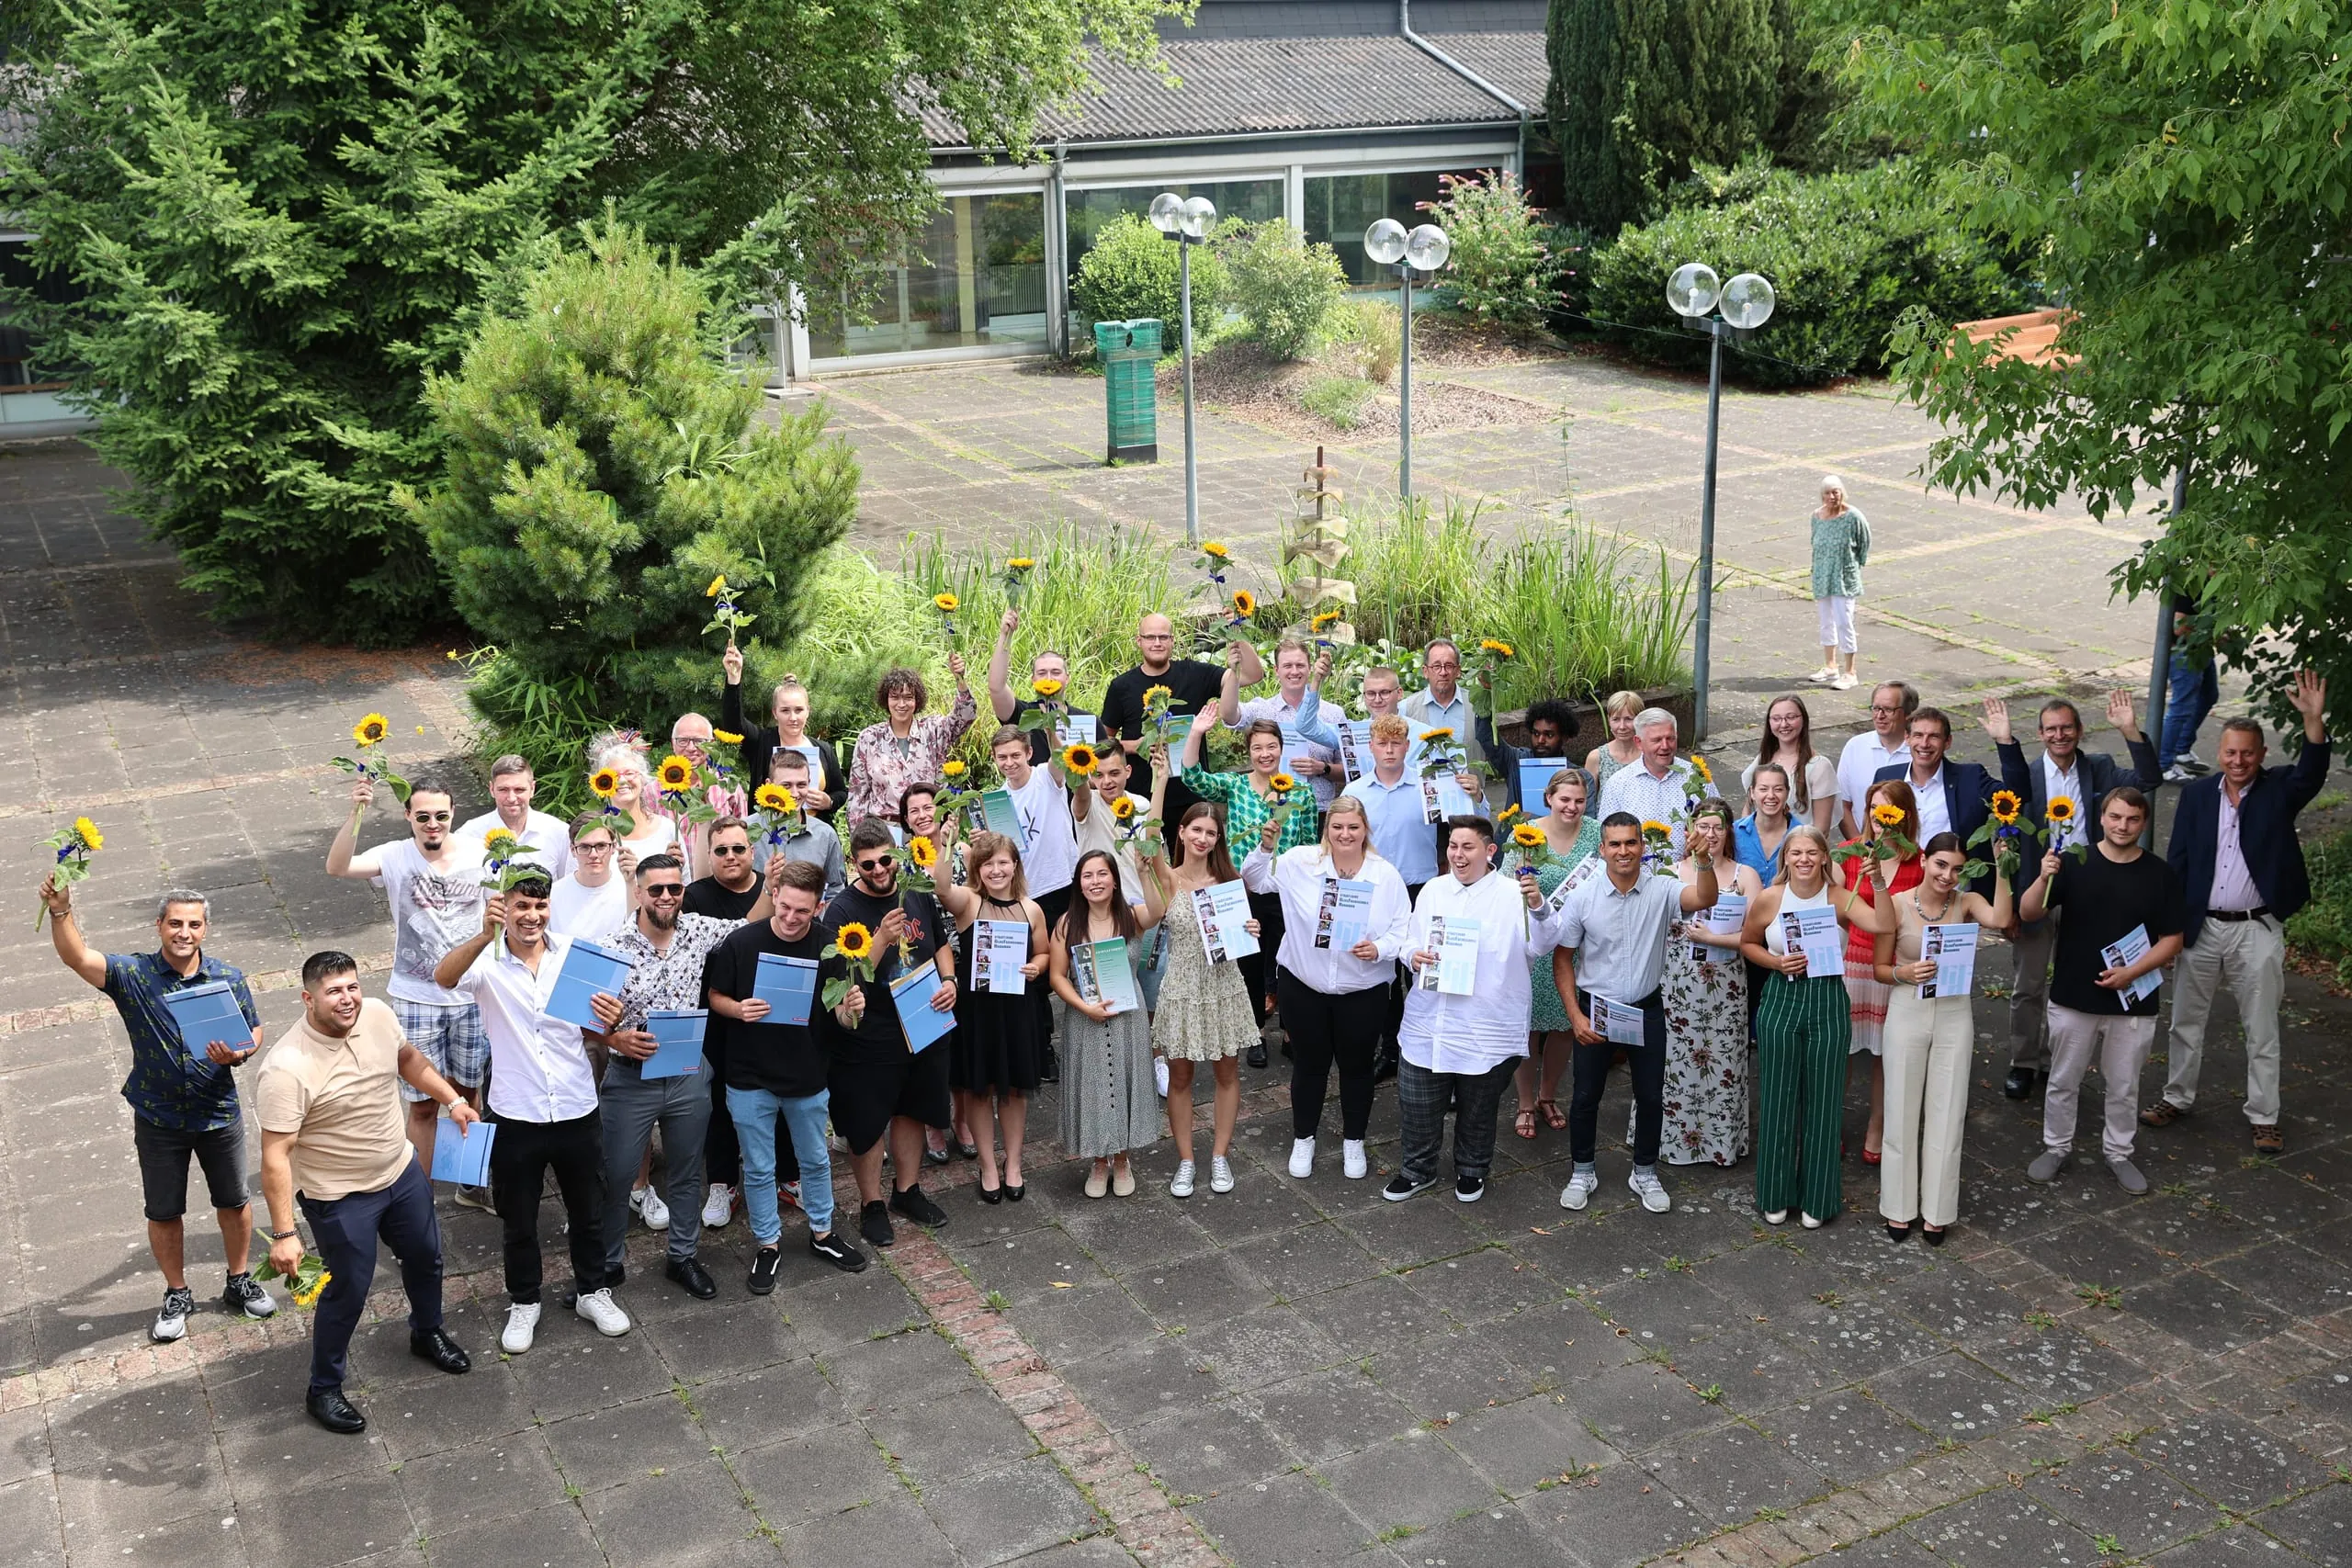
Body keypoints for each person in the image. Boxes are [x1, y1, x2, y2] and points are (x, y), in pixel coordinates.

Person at [37, 877, 273, 1342]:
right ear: (159, 926)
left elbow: (255, 1028)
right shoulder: (134, 975)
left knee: (235, 1201)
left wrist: (241, 1054)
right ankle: (177, 1291)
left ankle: (238, 1279)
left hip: (217, 1112)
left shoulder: (228, 977)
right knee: (164, 1211)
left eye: (194, 925)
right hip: (159, 1117)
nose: (184, 932)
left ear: (206, 929)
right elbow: (77, 957)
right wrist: (62, 911)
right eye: (175, 924)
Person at [255, 952, 474, 1433]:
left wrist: (452, 1100)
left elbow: (409, 1060)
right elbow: (275, 1155)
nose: (347, 999)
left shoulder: (376, 1014)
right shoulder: (286, 1068)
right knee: (348, 1291)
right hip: (339, 1197)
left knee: (426, 1258)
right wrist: (284, 1234)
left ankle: (427, 1332)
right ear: (307, 999)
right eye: (333, 991)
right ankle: (324, 1388)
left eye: (351, 986)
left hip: (400, 1172)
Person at [432, 873, 632, 1351]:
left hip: (575, 1105)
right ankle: (524, 1301)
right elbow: (444, 977)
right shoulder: (488, 960)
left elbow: (596, 1023)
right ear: (506, 907)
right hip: (515, 1111)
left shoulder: (574, 955)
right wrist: (484, 934)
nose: (532, 916)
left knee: (588, 1211)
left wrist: (613, 1017)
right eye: (522, 906)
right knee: (517, 1217)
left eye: (540, 906)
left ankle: (592, 1291)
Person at [2148, 671, 2332, 1153]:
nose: (2238, 761)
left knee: (2262, 1027)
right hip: (2203, 927)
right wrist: (2172, 928)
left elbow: (2312, 773)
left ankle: (2264, 1116)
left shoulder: (2278, 791)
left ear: (2261, 755)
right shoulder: (2195, 795)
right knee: (2186, 1020)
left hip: (2257, 928)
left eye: (2247, 753)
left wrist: (2313, 719)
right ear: (2220, 751)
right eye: (2230, 752)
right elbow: (2179, 863)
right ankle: (2177, 1097)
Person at [594, 852, 769, 1298]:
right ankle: (607, 1267)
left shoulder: (697, 929)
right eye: (657, 889)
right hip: (632, 1077)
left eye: (675, 888)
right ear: (638, 892)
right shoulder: (611, 945)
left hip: (688, 1073)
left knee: (689, 1172)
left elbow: (750, 924)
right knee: (616, 1176)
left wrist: (774, 882)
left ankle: (683, 1257)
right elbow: (579, 1017)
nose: (667, 897)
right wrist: (614, 1040)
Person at [1984, 692, 2161, 1100]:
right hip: (2038, 889)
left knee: (2075, 982)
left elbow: (2148, 781)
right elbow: (2008, 828)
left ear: (2079, 731)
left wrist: (2129, 729)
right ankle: (2025, 1061)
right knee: (2028, 983)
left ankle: (2062, 1064)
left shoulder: (2099, 769)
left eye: (2067, 727)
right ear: (2040, 734)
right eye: (2051, 729)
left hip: (2088, 891)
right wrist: (2004, 741)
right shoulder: (2024, 776)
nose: (2059, 735)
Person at [704, 859, 870, 1287]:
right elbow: (715, 996)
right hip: (748, 1076)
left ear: (818, 907)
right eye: (785, 907)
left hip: (806, 1074)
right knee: (758, 1167)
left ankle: (823, 1232)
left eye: (803, 911)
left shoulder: (831, 946)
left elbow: (842, 1019)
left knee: (814, 1160)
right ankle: (767, 1244)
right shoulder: (742, 942)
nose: (792, 918)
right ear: (773, 895)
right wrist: (738, 1009)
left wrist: (854, 1013)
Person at [2019, 787, 2187, 1192]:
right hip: (2074, 994)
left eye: (2131, 819)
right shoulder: (2074, 863)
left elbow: (2172, 939)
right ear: (2102, 818)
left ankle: (2119, 1152)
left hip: (2134, 998)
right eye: (2115, 817)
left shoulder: (2160, 874)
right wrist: (2044, 876)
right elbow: (2028, 913)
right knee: (2063, 1079)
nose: (2122, 826)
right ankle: (2056, 1146)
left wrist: (2132, 972)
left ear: (2143, 822)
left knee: (2125, 1084)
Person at [325, 774, 486, 1193]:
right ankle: (424, 1197)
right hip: (416, 998)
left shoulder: (481, 853)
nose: (433, 824)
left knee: (470, 1095)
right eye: (423, 817)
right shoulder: (395, 856)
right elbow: (337, 866)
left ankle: (469, 1185)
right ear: (408, 816)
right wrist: (356, 812)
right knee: (423, 1104)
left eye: (441, 816)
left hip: (472, 995)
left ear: (453, 815)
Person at [1386, 817, 1560, 1204]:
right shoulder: (1433, 889)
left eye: (1467, 847)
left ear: (1490, 851)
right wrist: (1411, 954)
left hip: (1487, 1024)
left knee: (1478, 1109)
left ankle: (1472, 1170)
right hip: (1430, 1020)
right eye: (1452, 847)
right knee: (1418, 1106)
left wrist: (1538, 904)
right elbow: (1410, 939)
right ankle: (1417, 1170)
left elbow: (1544, 944)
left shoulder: (1513, 894)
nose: (1458, 855)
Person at [1553, 812, 1719, 1213]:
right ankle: (1582, 1169)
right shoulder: (1583, 897)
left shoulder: (1662, 889)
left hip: (1646, 1008)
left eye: (1631, 843)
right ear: (1602, 849)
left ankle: (1644, 1172)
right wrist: (1575, 1016)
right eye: (1615, 844)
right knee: (1586, 1096)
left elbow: (1706, 898)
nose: (1623, 851)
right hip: (1597, 1009)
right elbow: (1563, 960)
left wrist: (1704, 862)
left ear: (1643, 847)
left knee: (1650, 1095)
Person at [1242, 796, 1411, 1180]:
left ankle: (1355, 1140)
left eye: (1353, 827)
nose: (1345, 835)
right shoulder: (1300, 863)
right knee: (1309, 1064)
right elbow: (1255, 878)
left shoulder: (1385, 876)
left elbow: (1403, 929)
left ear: (1365, 828)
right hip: (1305, 984)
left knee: (1357, 1066)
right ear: (1326, 829)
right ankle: (1304, 1138)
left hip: (1362, 987)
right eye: (1337, 827)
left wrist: (1380, 948)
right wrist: (1266, 847)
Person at [1739, 826, 1894, 1228]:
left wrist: (1876, 881)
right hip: (1780, 997)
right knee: (1777, 1096)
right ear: (1785, 859)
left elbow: (1881, 924)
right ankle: (1774, 1192)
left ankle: (1819, 1198)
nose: (1804, 859)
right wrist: (1775, 962)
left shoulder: (1840, 898)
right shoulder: (1770, 899)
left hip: (1827, 999)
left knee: (1824, 1100)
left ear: (1825, 858)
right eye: (1796, 853)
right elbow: (1748, 943)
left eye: (1812, 852)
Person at [824, 819, 959, 1247]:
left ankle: (907, 1190)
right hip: (872, 1029)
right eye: (869, 865)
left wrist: (951, 980)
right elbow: (852, 972)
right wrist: (881, 935)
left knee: (913, 1110)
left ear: (896, 853)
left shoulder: (914, 890)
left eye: (886, 860)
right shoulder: (843, 910)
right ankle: (871, 1203)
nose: (880, 870)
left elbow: (938, 941)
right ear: (854, 863)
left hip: (922, 1018)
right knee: (867, 1121)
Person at [1872, 834, 2013, 1245]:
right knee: (1900, 1109)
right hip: (1907, 1006)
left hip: (1953, 1010)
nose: (1947, 876)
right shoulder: (1898, 903)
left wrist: (2003, 868)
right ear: (1924, 861)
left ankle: (1937, 1211)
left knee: (1948, 1112)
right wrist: (1904, 973)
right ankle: (1898, 1208)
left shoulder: (1966, 902)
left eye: (1955, 868)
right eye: (1940, 865)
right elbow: (1880, 967)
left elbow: (2002, 920)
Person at [1182, 705, 1318, 1062]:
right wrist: (1196, 732)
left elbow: (1308, 845)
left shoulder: (1300, 794)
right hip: (1241, 889)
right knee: (1250, 964)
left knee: (1288, 962)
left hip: (1286, 891)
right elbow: (1193, 777)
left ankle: (1291, 1029)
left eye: (1271, 746)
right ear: (1249, 751)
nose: (1265, 754)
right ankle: (1255, 1031)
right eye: (1257, 747)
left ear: (1281, 748)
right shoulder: (1236, 785)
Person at [1645, 800, 1761, 1168]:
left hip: (1726, 984)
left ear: (1728, 832)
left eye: (1717, 827)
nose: (1710, 834)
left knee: (1722, 1059)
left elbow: (1756, 934)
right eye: (1703, 826)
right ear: (1689, 831)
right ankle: (1667, 1140)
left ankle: (1719, 1144)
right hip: (1676, 981)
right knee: (1671, 1060)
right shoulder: (1667, 871)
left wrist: (1716, 939)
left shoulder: (1746, 876)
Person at [1154, 803, 1261, 1196]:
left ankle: (1219, 1155)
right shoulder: (1167, 878)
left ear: (1218, 839)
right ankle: (1185, 1160)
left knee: (1226, 1073)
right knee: (1180, 1078)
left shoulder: (1229, 882)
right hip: (1182, 989)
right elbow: (1147, 839)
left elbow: (1241, 935)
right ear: (1180, 832)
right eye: (1196, 830)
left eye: (1211, 833)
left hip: (1222, 987)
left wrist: (1251, 927)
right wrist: (1161, 778)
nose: (1202, 838)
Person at [936, 829, 1049, 1201]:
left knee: (1016, 1091)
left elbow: (1044, 952)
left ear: (1015, 864)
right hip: (979, 1012)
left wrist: (1036, 966)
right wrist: (945, 843)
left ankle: (1013, 1162)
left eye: (1003, 862)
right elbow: (940, 889)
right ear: (977, 869)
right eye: (988, 864)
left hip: (1017, 1010)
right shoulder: (969, 902)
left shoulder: (1031, 908)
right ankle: (987, 1164)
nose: (997, 870)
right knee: (979, 1091)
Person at [1052, 848, 1170, 1198]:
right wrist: (1082, 1006)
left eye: (1102, 874)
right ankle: (1098, 1160)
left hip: (1127, 1015)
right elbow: (1058, 977)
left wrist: (1145, 873)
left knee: (1125, 1079)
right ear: (1079, 883)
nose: (1095, 882)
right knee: (1093, 1086)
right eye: (1087, 876)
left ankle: (1121, 1158)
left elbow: (1159, 911)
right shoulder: (1066, 923)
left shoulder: (1130, 917)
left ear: (1115, 880)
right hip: (1083, 1015)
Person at [1344, 713, 1445, 1078]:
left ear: (1407, 746)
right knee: (1383, 974)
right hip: (1375, 892)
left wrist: (1476, 795)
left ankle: (1426, 1048)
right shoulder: (1354, 793)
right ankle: (1390, 1050)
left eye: (1396, 743)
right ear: (1370, 747)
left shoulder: (1427, 786)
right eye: (1382, 743)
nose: (1389, 750)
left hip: (1420, 887)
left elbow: (1459, 825)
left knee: (1420, 971)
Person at [1100, 612, 1264, 824]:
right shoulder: (1122, 686)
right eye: (1150, 637)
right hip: (1141, 796)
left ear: (1172, 641)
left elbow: (1252, 675)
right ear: (1139, 641)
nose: (1157, 643)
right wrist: (1135, 746)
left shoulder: (1194, 674)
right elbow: (1103, 743)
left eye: (1163, 637)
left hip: (1190, 794)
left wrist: (1237, 630)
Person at [1510, 766, 1601, 1140]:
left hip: (1578, 944)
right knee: (1529, 1026)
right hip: (1534, 944)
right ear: (1548, 798)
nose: (1572, 807)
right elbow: (1505, 882)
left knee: (1566, 1025)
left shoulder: (1596, 833)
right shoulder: (1527, 835)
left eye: (1579, 801)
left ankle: (1549, 1096)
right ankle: (1526, 1102)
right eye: (1565, 799)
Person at [1839, 779, 1925, 1163]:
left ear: (1904, 815)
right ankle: (1832, 1124)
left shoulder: (1917, 862)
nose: (1879, 816)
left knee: (1885, 1055)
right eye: (1874, 807)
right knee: (1840, 1050)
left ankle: (1877, 1125)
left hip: (1891, 969)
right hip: (1851, 963)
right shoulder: (1850, 853)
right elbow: (1836, 905)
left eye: (1888, 809)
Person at [1069, 739, 1172, 1010]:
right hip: (1103, 913)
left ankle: (1150, 1051)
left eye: (1114, 773)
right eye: (1099, 775)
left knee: (1151, 992)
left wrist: (1160, 781)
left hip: (1144, 910)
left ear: (1127, 771)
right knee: (1110, 995)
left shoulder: (1140, 805)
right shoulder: (1087, 803)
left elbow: (1154, 843)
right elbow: (1079, 789)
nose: (1107, 782)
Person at [1217, 637, 1347, 809]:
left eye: (1300, 665)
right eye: (1287, 666)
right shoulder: (1261, 710)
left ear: (1310, 668)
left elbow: (1349, 770)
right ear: (1277, 670)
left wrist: (1323, 768)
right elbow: (1228, 714)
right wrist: (1234, 672)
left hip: (1319, 810)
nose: (1294, 671)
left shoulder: (1333, 713)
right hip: (1272, 811)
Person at [718, 649, 847, 820]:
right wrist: (734, 679)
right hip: (770, 834)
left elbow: (841, 792)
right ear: (775, 712)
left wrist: (829, 801)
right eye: (785, 711)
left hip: (815, 834)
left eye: (799, 710)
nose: (793, 718)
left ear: (808, 711)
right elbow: (734, 725)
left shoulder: (823, 749)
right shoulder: (761, 742)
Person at [846, 660, 978, 828]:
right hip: (884, 831)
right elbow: (858, 795)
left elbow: (966, 715)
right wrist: (858, 841)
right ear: (886, 699)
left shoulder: (934, 730)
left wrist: (959, 679)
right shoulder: (869, 738)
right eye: (895, 697)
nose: (902, 704)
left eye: (908, 698)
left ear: (917, 700)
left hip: (929, 826)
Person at [1871, 706, 1996, 863]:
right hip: (1900, 882)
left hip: (1955, 883)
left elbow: (2019, 795)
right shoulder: (1886, 776)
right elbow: (1873, 830)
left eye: (1934, 736)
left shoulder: (1971, 778)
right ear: (1907, 738)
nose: (1924, 744)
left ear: (1948, 742)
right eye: (1918, 735)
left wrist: (2005, 742)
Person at [988, 608, 1097, 768]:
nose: (1049, 678)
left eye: (1056, 672)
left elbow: (1103, 768)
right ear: (1033, 680)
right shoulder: (1022, 716)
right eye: (1042, 673)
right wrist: (1005, 635)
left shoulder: (1088, 721)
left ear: (1067, 679)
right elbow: (996, 688)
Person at [1596, 707, 1706, 852]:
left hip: (1690, 871)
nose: (1665, 746)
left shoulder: (1696, 777)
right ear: (1638, 742)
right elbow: (1606, 836)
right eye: (1657, 740)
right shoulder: (1619, 784)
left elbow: (1719, 821)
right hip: (1638, 873)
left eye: (1670, 738)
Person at [659, 710, 750, 876]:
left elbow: (744, 841)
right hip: (670, 886)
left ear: (712, 744)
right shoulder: (654, 791)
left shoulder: (728, 788)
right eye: (683, 741)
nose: (691, 748)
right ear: (673, 744)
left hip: (718, 886)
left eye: (699, 741)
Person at [456, 755, 574, 882]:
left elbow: (567, 886)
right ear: (491, 789)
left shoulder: (559, 833)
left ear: (532, 789)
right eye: (503, 790)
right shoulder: (469, 835)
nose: (511, 798)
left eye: (519, 790)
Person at [754, 749, 845, 903]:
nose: (795, 793)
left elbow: (835, 889)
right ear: (769, 785)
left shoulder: (825, 835)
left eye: (801, 785)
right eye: (786, 786)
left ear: (810, 783)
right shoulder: (749, 830)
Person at [1807, 475, 1870, 691]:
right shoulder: (1816, 516)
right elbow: (1815, 544)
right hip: (1823, 577)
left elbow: (1864, 542)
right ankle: (1830, 665)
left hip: (1843, 578)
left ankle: (1851, 672)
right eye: (1828, 493)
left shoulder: (1853, 516)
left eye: (1836, 492)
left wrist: (1854, 565)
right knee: (1826, 622)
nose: (1832, 497)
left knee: (1844, 623)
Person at [1744, 695, 1840, 833]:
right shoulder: (1763, 759)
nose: (1783, 724)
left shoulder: (1819, 766)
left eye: (1791, 717)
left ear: (1803, 720)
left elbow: (1821, 830)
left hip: (1801, 849)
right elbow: (1748, 807)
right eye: (1776, 719)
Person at [1398, 639, 1488, 784]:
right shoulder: (1406, 710)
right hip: (1423, 800)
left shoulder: (1476, 706)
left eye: (1448, 666)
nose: (1443, 672)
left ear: (1458, 671)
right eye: (1436, 666)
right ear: (1425, 671)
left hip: (1470, 798)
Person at [1838, 682, 1917, 840]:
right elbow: (1842, 805)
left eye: (1888, 710)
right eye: (1875, 708)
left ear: (1908, 714)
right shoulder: (1855, 747)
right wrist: (1860, 847)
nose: (1880, 716)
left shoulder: (1919, 753)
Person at [1479, 697, 1580, 818]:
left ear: (1564, 737)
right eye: (1536, 733)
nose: (1540, 740)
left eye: (1549, 735)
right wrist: (1486, 693)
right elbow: (1486, 736)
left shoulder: (1580, 777)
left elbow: (1584, 823)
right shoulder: (1515, 760)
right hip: (1513, 835)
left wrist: (1532, 818)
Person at [2160, 592, 2220, 782]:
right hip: (2182, 652)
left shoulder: (2220, 581)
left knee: (2209, 695)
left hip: (2199, 649)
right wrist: (2211, 635)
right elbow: (2179, 625)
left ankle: (2181, 749)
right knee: (2181, 708)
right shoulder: (2191, 585)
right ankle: (2163, 764)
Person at [549, 815, 631, 940]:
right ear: (573, 850)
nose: (593, 855)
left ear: (614, 847)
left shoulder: (629, 890)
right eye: (584, 847)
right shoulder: (553, 895)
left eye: (601, 846)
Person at [594, 746, 681, 863]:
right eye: (614, 776)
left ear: (643, 778)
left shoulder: (667, 829)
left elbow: (684, 879)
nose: (622, 781)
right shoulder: (593, 835)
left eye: (629, 773)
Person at [684, 816, 764, 920]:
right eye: (721, 851)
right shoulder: (693, 897)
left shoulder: (772, 889)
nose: (730, 856)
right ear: (709, 856)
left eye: (738, 849)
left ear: (752, 852)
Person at [1735, 764, 1794, 886]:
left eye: (1778, 789)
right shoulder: (1734, 832)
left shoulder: (1802, 835)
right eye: (1763, 789)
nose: (1771, 795)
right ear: (1752, 793)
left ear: (1787, 793)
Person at [1582, 691, 1645, 795]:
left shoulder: (1650, 754)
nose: (1622, 726)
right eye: (1616, 719)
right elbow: (1587, 800)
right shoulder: (1596, 757)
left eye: (1628, 719)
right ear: (1609, 720)